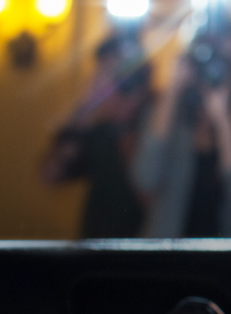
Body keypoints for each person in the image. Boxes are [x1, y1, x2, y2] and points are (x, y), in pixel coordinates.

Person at [132, 11, 231, 238]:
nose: (214, 68)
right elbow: (145, 178)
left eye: (225, 60)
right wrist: (172, 92)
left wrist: (225, 120)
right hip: (168, 260)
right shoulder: (167, 116)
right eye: (207, 55)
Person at [41, 35, 151, 238]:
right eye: (104, 74)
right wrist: (85, 110)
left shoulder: (156, 120)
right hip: (95, 246)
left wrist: (128, 113)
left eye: (119, 75)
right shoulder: (94, 128)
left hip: (145, 249)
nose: (112, 85)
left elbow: (149, 195)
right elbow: (51, 175)